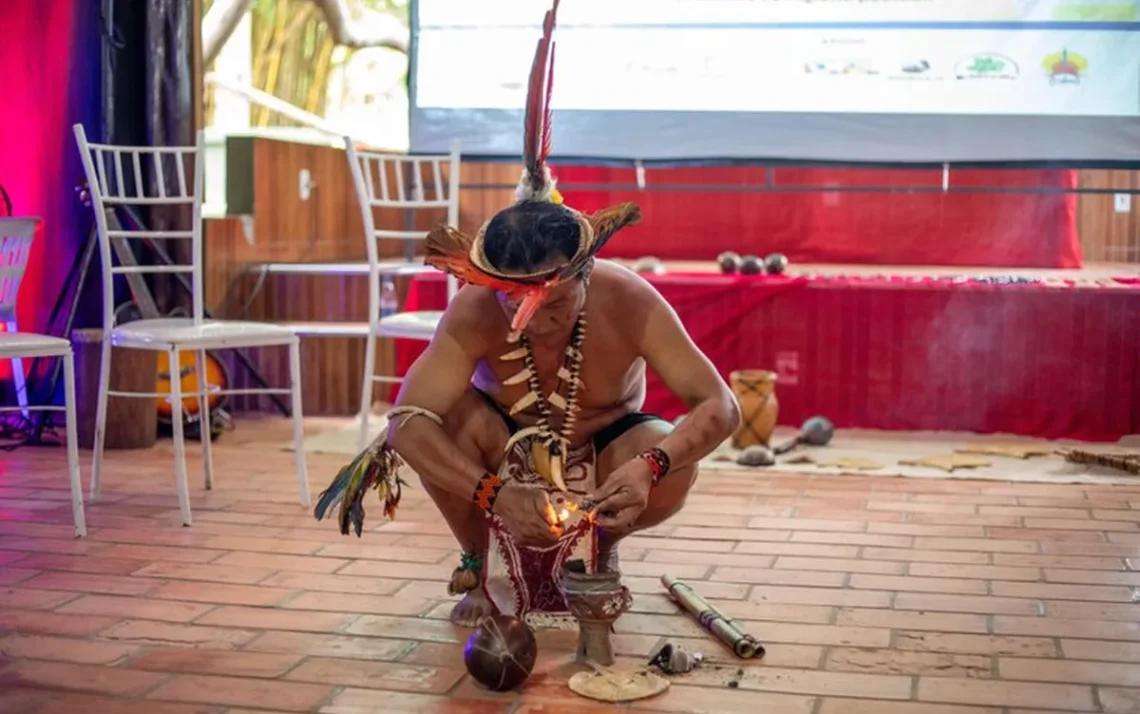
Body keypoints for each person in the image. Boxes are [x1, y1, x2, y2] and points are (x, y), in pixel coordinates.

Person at [314, 0, 739, 627]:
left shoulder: (631, 299)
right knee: (446, 421)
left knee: (661, 446)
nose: (532, 320)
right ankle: (474, 563)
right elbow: (405, 421)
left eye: (555, 303)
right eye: (515, 304)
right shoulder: (473, 310)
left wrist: (650, 469)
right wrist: (492, 492)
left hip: (605, 450)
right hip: (500, 451)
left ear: (586, 277)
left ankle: (601, 556)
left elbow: (720, 406)